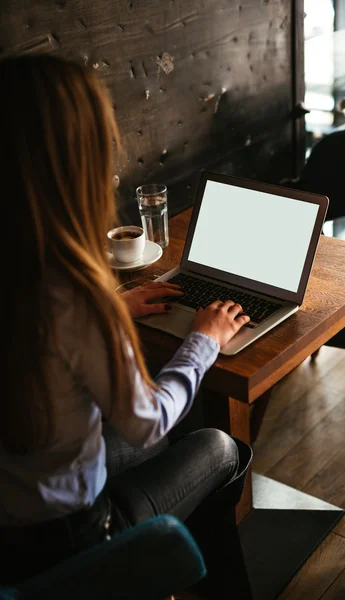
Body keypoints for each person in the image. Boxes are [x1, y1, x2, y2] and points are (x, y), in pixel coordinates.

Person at [0, 54, 252, 597]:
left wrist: (112, 311)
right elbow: (146, 422)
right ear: (77, 164)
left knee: (171, 436)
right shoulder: (76, 298)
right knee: (218, 445)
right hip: (71, 542)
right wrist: (202, 343)